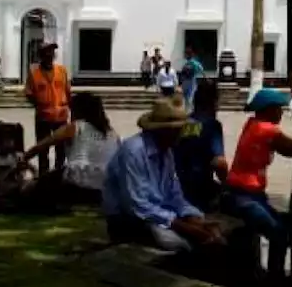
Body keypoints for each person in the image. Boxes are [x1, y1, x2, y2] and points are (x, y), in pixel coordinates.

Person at [224, 88, 292, 282]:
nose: (281, 113)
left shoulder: (253, 125)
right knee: (279, 233)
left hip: (252, 193)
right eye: (278, 109)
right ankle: (275, 280)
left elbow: (283, 148)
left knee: (283, 229)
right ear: (267, 109)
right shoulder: (265, 128)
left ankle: (274, 276)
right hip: (244, 195)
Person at [101, 96, 224, 251]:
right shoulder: (133, 151)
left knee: (209, 235)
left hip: (158, 214)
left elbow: (174, 195)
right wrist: (184, 227)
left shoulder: (167, 152)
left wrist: (193, 217)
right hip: (128, 219)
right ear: (164, 130)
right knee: (179, 244)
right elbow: (137, 206)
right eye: (178, 130)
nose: (182, 134)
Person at [20, 91, 120, 206]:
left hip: (79, 178)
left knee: (32, 187)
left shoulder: (76, 127)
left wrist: (24, 158)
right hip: (106, 182)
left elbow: (43, 145)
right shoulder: (112, 133)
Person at [175, 80, 228, 212]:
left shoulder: (185, 123)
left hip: (179, 186)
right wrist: (228, 184)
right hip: (201, 189)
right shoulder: (212, 125)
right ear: (214, 102)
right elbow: (219, 163)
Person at [26, 42, 71, 175]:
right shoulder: (34, 74)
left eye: (52, 52)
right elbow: (29, 94)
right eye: (47, 52)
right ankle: (44, 177)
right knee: (42, 150)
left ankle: (59, 175)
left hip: (61, 117)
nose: (50, 55)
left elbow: (68, 91)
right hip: (43, 118)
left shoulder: (62, 71)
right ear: (41, 55)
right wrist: (40, 105)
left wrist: (69, 108)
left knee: (61, 150)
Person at [180, 48, 204, 113]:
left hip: (189, 82)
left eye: (185, 54)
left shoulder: (191, 63)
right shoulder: (194, 63)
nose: (185, 56)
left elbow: (201, 70)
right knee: (187, 99)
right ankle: (188, 112)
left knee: (189, 99)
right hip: (189, 82)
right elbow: (201, 70)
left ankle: (189, 112)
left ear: (188, 55)